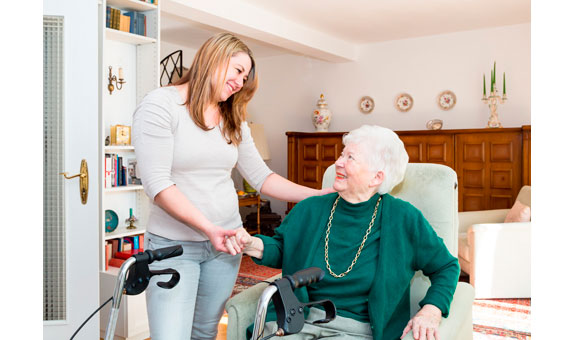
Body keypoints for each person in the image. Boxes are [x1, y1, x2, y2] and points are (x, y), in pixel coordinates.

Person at [132, 32, 333, 340]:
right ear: (213, 57)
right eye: (238, 71)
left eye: (246, 76)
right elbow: (158, 185)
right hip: (175, 247)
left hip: (226, 246)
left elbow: (262, 177)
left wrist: (319, 195)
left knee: (205, 332)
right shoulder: (161, 105)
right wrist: (208, 229)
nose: (241, 82)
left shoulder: (233, 117)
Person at [235, 125, 460, 340]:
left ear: (377, 177)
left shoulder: (403, 218)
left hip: (356, 330)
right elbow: (284, 248)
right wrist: (253, 244)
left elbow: (446, 266)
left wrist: (432, 309)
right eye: (342, 155)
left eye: (350, 158)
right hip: (297, 320)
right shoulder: (311, 208)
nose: (338, 163)